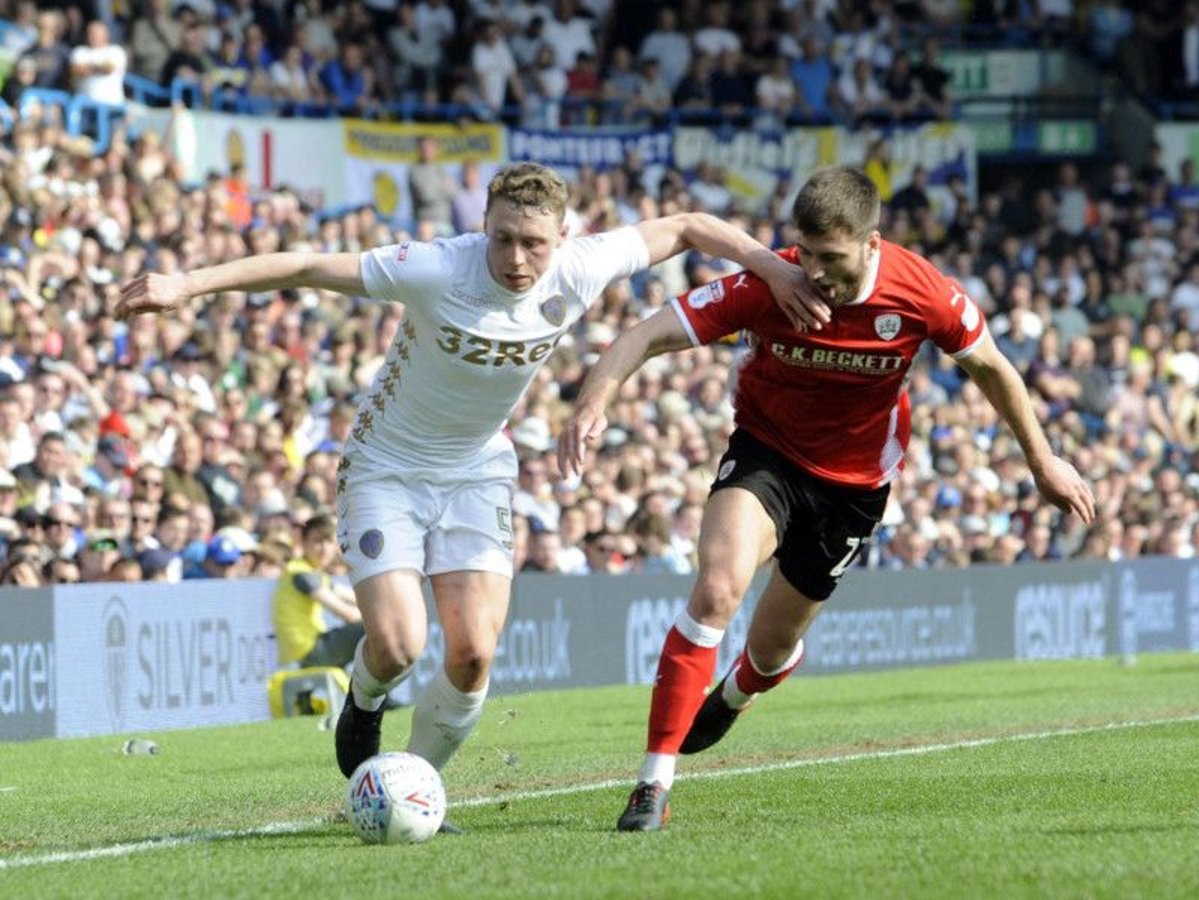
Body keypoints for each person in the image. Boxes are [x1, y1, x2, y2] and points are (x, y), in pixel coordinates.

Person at [116, 161, 821, 833]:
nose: (517, 258)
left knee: (474, 653)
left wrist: (774, 265)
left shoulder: (580, 267)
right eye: (504, 239)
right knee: (396, 644)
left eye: (534, 244)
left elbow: (691, 224)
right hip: (384, 467)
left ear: (562, 240)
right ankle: (362, 703)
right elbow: (303, 266)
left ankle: (413, 787)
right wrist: (187, 284)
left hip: (477, 470)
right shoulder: (435, 267)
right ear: (483, 226)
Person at [557, 166, 1096, 832]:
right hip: (766, 455)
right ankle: (652, 784)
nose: (812, 272)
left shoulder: (923, 292)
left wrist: (1041, 461)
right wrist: (592, 403)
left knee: (771, 649)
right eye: (804, 254)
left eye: (830, 258)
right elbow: (644, 334)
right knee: (717, 589)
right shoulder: (769, 283)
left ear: (871, 245)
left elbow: (993, 368)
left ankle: (737, 691)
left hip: (854, 488)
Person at [272, 513, 365, 669]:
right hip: (307, 651)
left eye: (329, 541)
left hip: (306, 649)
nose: (324, 549)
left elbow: (353, 596)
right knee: (375, 630)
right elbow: (348, 614)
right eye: (317, 541)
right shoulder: (301, 574)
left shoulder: (309, 571)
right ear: (303, 542)